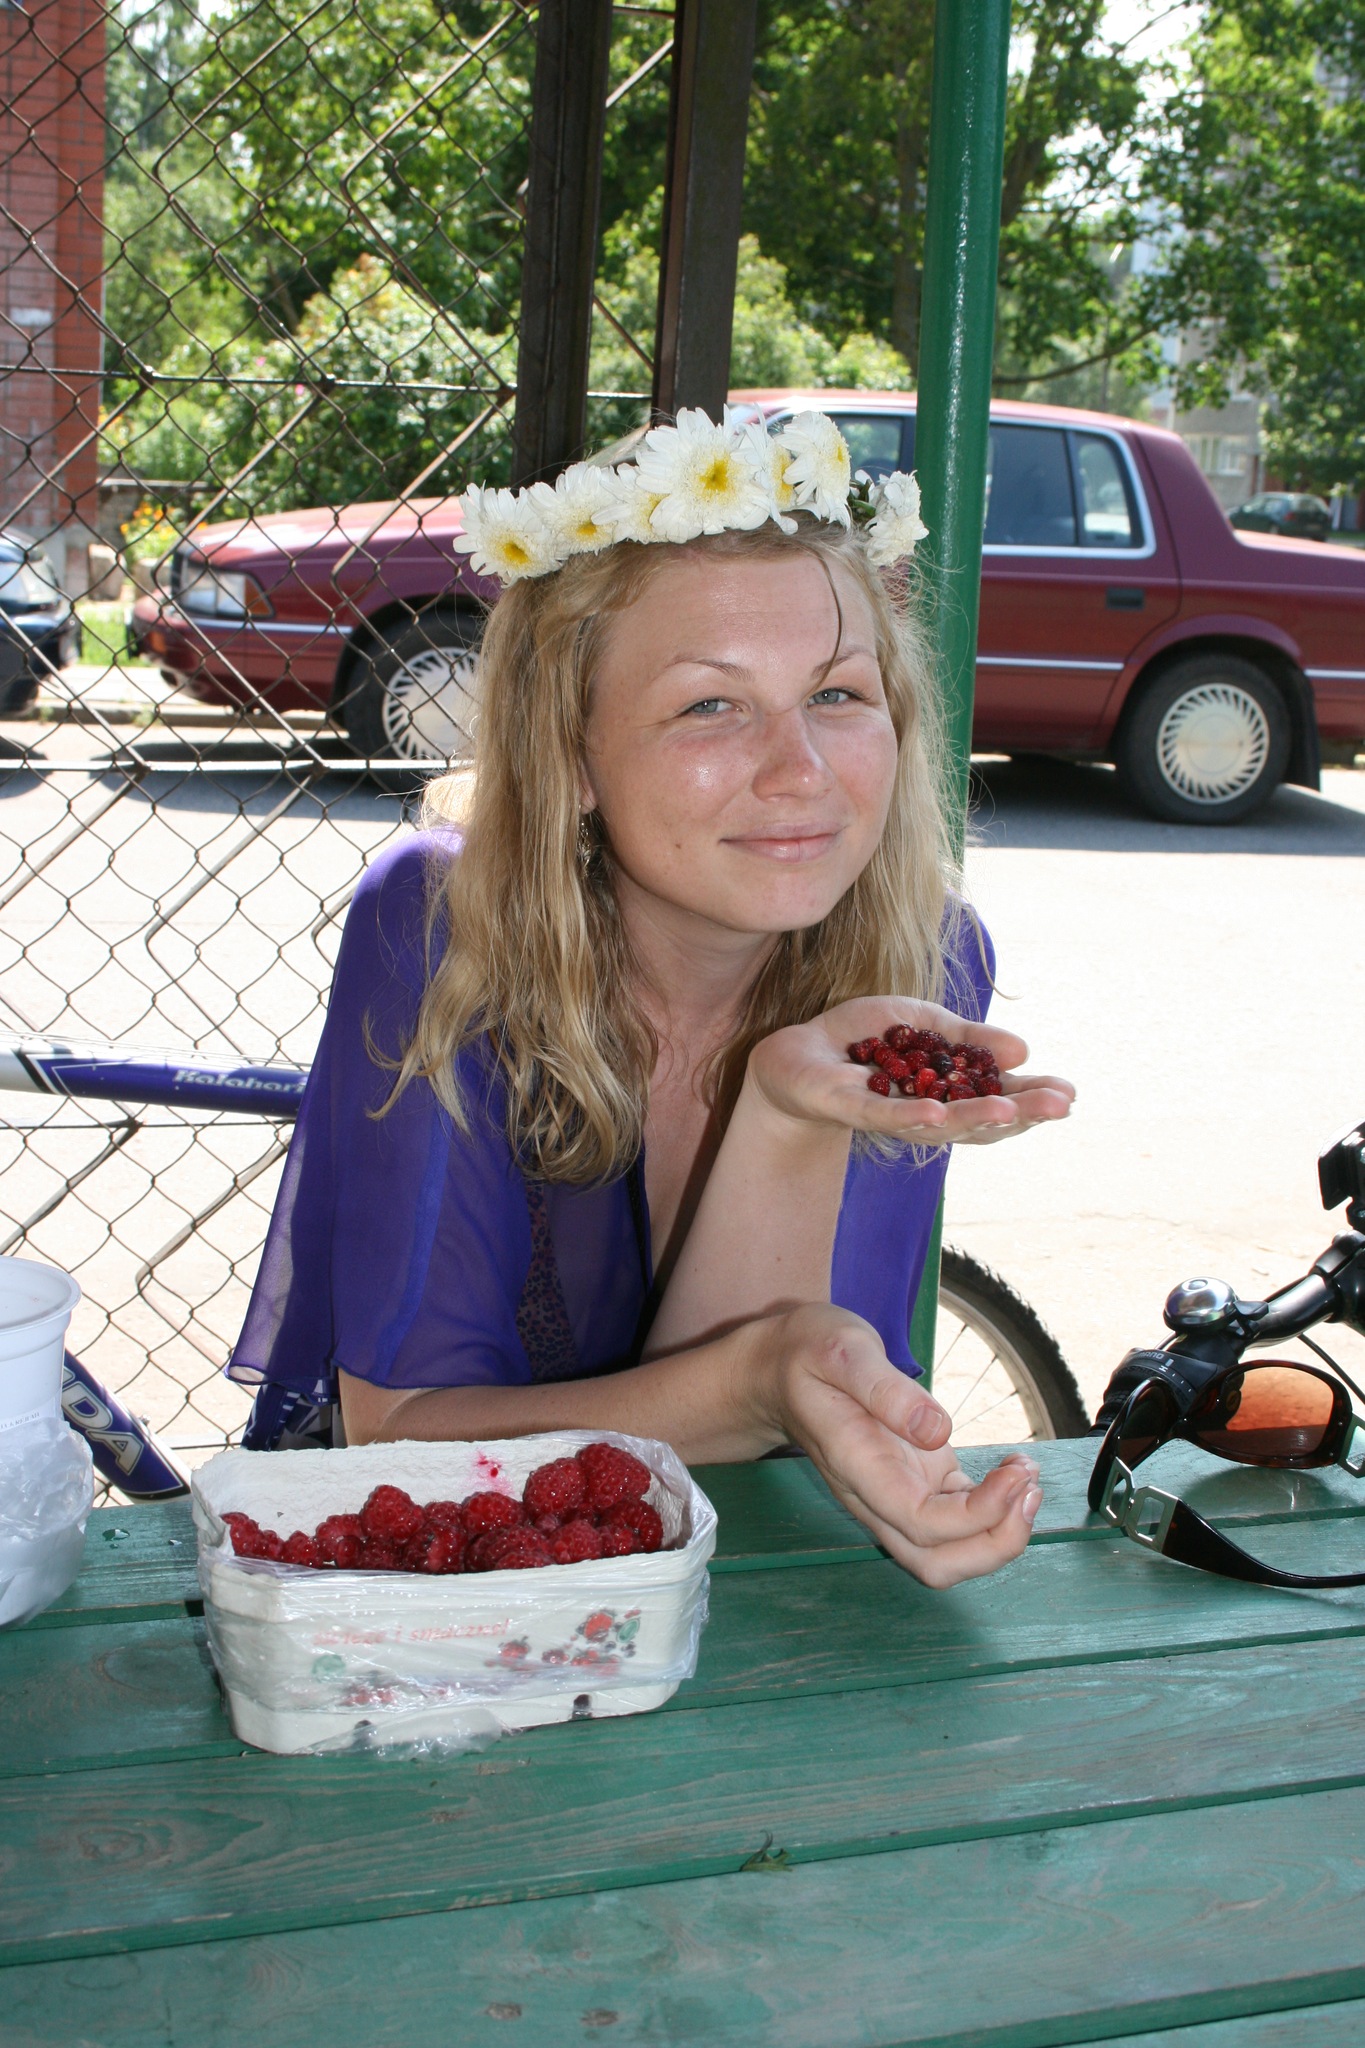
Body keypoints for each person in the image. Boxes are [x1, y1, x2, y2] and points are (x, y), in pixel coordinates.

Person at [230, 407, 1074, 1589]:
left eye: (839, 694)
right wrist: (754, 1379)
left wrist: (785, 1114)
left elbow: (772, 1447)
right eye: (709, 705)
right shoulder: (441, 930)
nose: (803, 772)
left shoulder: (921, 958)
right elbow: (402, 1441)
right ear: (570, 754)